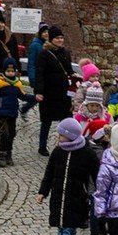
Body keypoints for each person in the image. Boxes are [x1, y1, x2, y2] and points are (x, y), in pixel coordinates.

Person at [38, 117, 98, 235]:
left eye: (61, 135)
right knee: (63, 225)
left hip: (77, 196)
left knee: (70, 225)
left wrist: (100, 192)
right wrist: (43, 192)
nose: (58, 137)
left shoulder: (87, 153)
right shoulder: (57, 152)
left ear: (70, 135)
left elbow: (97, 174)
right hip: (58, 196)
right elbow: (49, 173)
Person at [34, 28, 76, 156]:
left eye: (61, 38)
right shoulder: (44, 54)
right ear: (51, 39)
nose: (60, 40)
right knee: (46, 121)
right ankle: (42, 146)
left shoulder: (65, 52)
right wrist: (39, 91)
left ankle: (66, 143)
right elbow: (39, 73)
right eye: (57, 38)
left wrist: (74, 77)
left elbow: (69, 70)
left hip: (64, 92)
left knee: (66, 119)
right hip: (49, 92)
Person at [0, 60, 36, 165]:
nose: (10, 73)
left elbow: (23, 96)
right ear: (4, 71)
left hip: (12, 113)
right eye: (8, 71)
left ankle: (9, 154)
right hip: (1, 113)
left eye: (12, 71)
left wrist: (35, 98)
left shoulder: (17, 84)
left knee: (12, 134)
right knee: (4, 134)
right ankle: (2, 155)